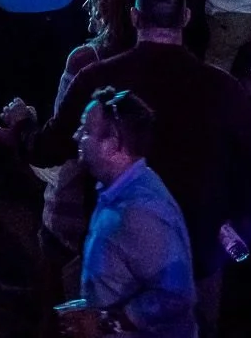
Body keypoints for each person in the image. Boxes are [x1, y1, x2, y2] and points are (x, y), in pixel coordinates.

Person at [29, 0, 251, 333]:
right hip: (196, 253)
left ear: (135, 17)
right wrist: (228, 219)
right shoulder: (222, 88)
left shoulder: (97, 79)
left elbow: (46, 150)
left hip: (116, 260)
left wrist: (21, 126)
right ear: (186, 17)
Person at [74, 87, 199, 338]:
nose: (76, 135)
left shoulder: (139, 211)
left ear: (111, 145)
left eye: (86, 131)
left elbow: (176, 295)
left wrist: (104, 323)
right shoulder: (118, 190)